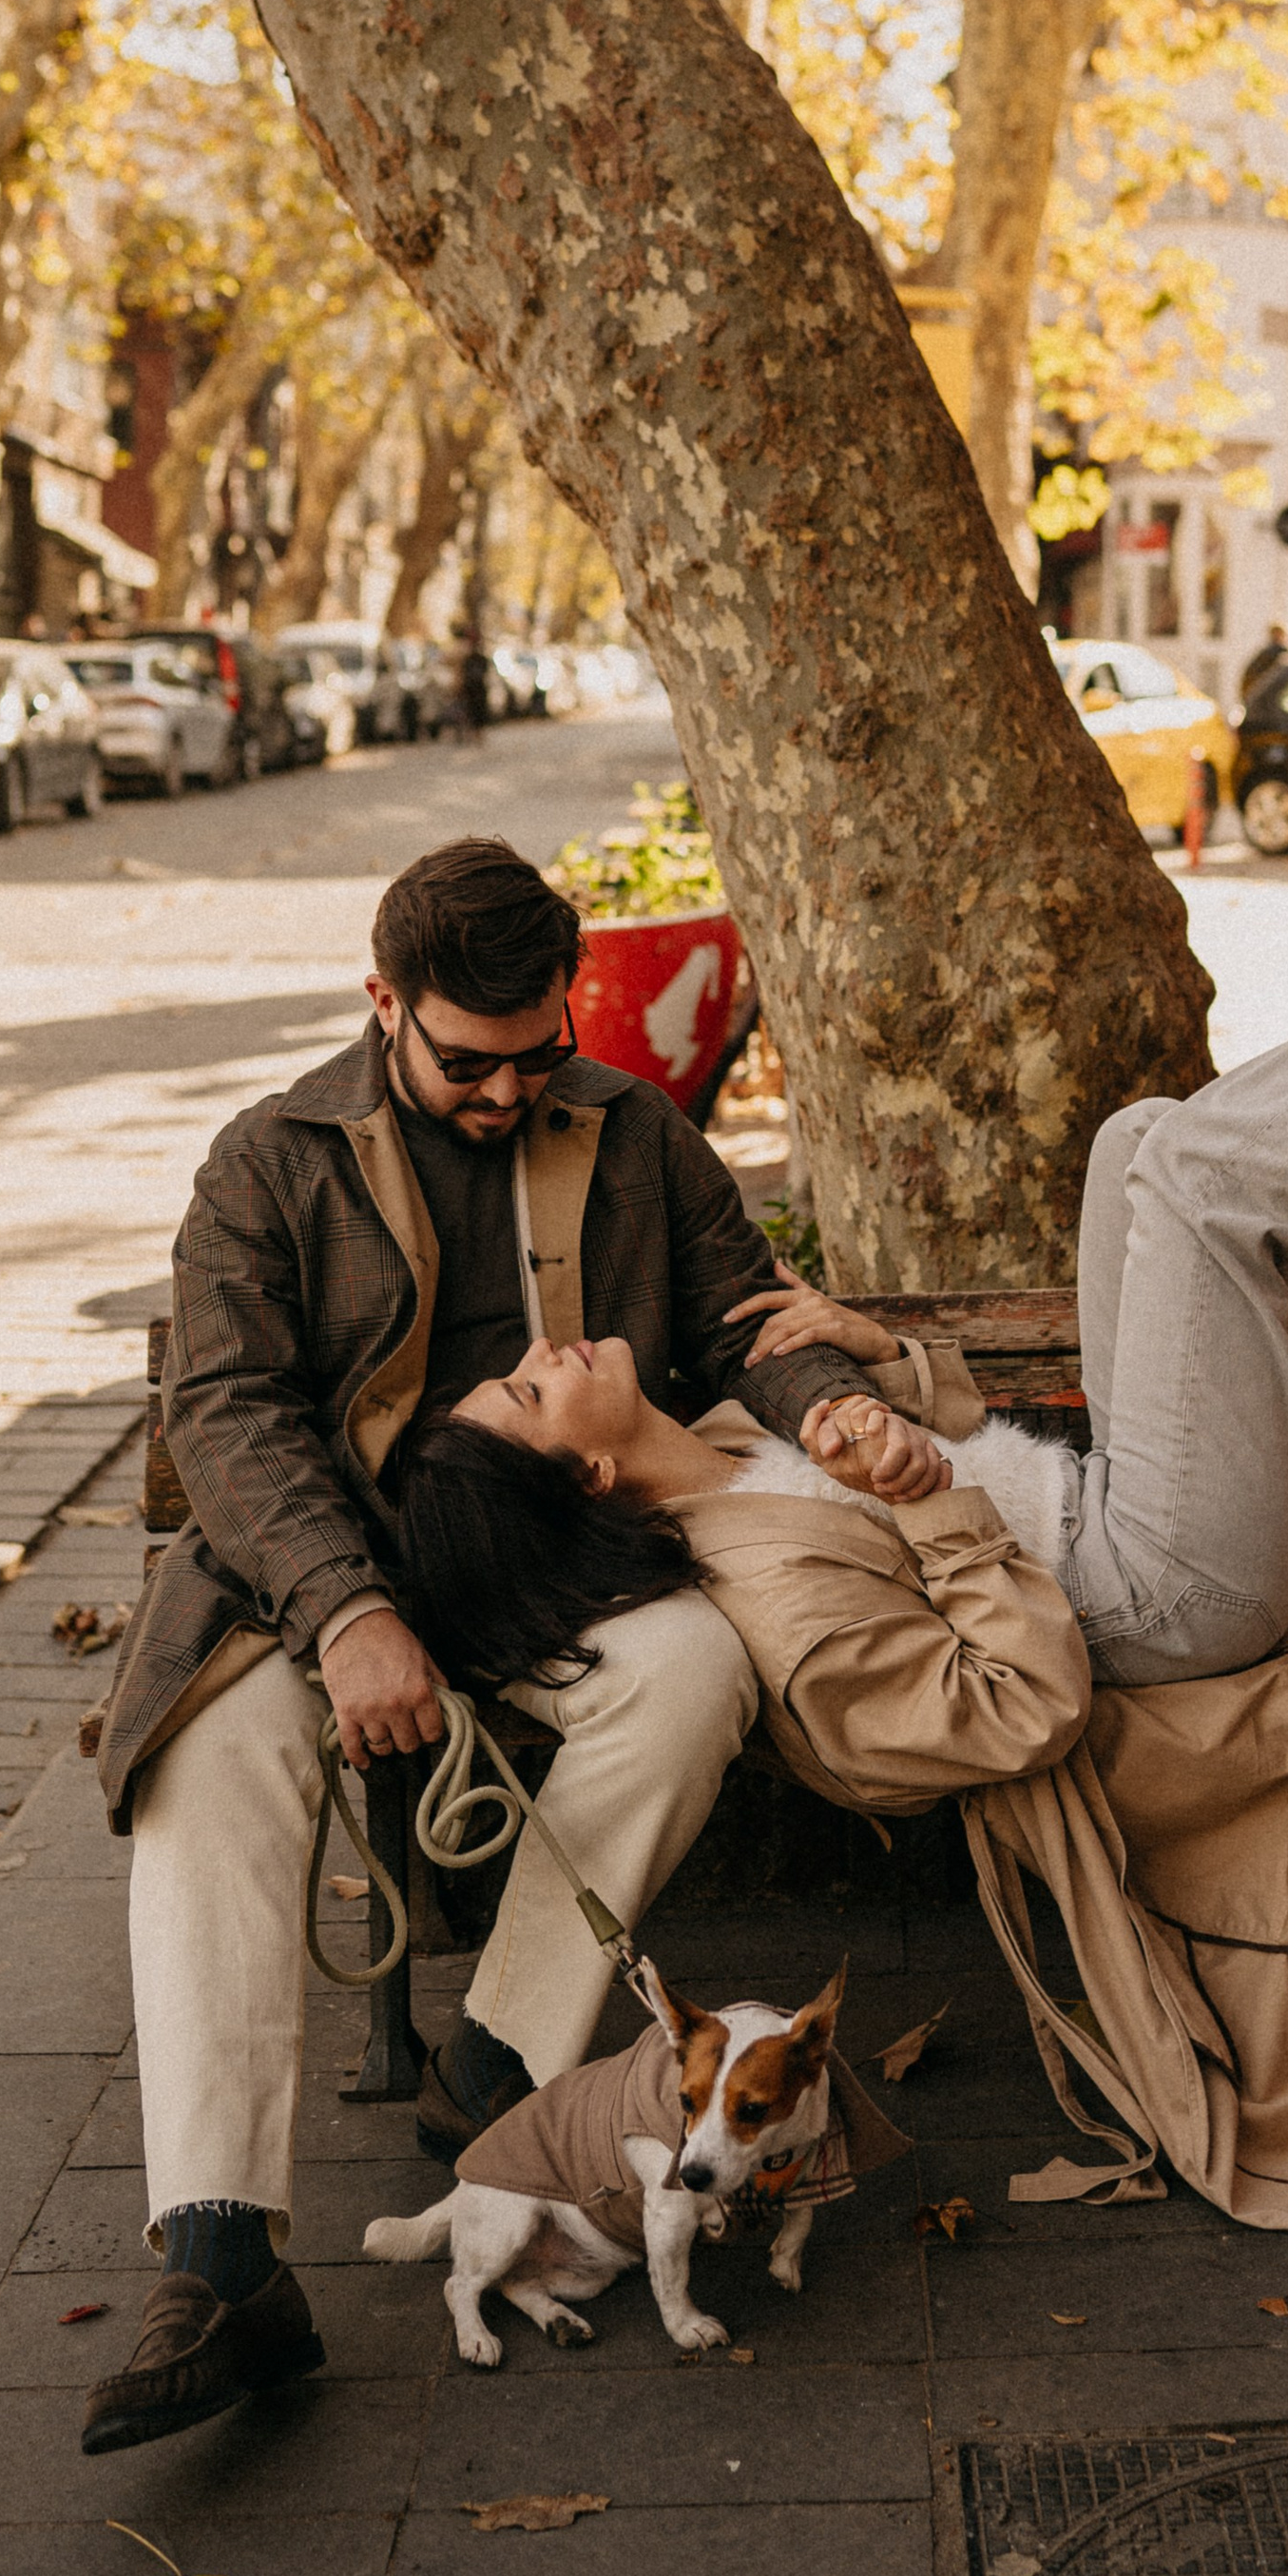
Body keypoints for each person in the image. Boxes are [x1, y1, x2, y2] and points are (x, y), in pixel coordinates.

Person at [79, 835, 927, 2458]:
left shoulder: (630, 1132)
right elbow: (234, 1418)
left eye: (541, 1046)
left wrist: (830, 1402)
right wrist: (349, 1608)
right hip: (319, 1576)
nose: (510, 1085)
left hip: (560, 1566)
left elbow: (743, 1313)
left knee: (695, 1674)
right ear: (383, 1000)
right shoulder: (267, 1161)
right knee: (202, 1770)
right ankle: (220, 2259)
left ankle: (494, 2071)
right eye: (473, 1060)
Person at [398, 693, 1288, 1721]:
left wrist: (881, 1363)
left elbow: (964, 1449)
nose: (536, 1352)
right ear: (590, 1471)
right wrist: (923, 1491)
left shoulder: (725, 1436)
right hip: (1162, 1589)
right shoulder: (754, 1575)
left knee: (1140, 1137)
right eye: (525, 1391)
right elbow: (1012, 1703)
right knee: (1204, 1173)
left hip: (1120, 1513)